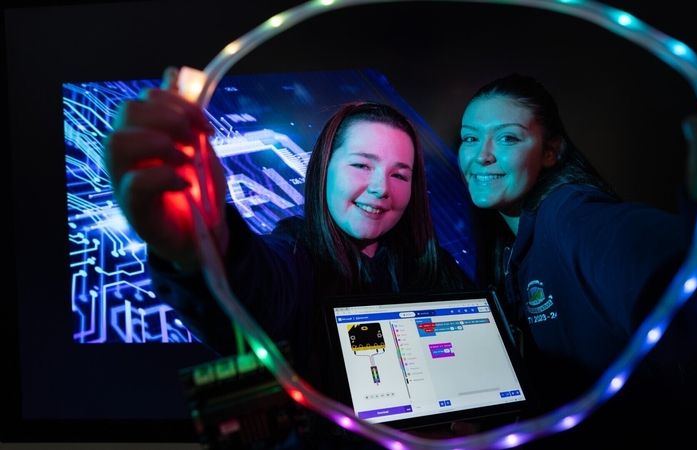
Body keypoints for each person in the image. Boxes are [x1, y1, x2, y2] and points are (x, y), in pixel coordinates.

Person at [103, 68, 476, 448]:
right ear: (323, 169)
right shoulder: (296, 255)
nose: (381, 188)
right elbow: (254, 285)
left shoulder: (433, 266)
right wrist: (202, 239)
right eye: (362, 165)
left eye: (400, 175)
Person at [457, 73, 697, 448]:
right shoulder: (508, 252)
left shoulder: (568, 213)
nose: (482, 155)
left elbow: (647, 258)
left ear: (551, 151)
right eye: (470, 138)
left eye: (508, 137)